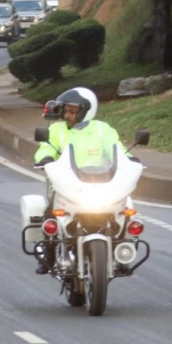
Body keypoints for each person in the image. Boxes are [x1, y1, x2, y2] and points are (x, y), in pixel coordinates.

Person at [32, 87, 131, 274]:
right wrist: (44, 158)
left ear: (86, 111)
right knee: (50, 214)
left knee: (125, 210)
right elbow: (45, 147)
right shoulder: (56, 130)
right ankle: (49, 254)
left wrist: (130, 159)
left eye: (72, 111)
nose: (67, 115)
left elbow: (116, 148)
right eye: (65, 111)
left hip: (103, 184)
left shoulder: (102, 129)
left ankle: (121, 251)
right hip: (69, 185)